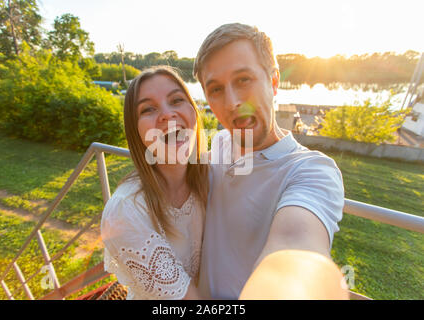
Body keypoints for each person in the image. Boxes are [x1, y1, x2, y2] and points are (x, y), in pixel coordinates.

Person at [193, 23, 347, 299]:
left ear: (274, 81)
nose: (232, 102)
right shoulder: (219, 143)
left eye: (243, 80)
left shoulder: (311, 171)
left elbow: (294, 247)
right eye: (215, 89)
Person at [101, 66, 208, 299]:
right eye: (148, 109)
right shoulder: (125, 211)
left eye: (177, 100)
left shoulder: (210, 177)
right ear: (135, 131)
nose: (167, 115)